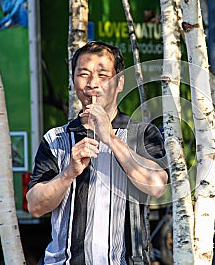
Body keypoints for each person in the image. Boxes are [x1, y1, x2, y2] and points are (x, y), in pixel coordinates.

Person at [26, 41, 168, 265]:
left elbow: (158, 185)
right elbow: (35, 206)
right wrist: (68, 173)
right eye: (84, 74)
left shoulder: (141, 133)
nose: (92, 83)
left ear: (120, 82)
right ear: (73, 81)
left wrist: (110, 138)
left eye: (103, 75)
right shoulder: (55, 139)